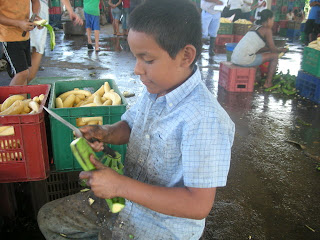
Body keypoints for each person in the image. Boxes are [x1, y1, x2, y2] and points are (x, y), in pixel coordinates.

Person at [37, 0, 235, 239]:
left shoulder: (206, 120)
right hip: (125, 200)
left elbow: (198, 205)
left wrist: (120, 186)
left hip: (162, 227)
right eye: (136, 58)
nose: (136, 70)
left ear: (186, 56)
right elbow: (131, 126)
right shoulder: (156, 89)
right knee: (48, 218)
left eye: (147, 60)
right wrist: (106, 132)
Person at [231, 9, 288, 88]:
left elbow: (258, 49)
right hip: (244, 60)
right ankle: (268, 83)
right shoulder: (267, 30)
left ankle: (255, 78)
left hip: (234, 58)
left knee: (257, 54)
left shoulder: (254, 27)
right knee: (274, 56)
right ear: (268, 19)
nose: (273, 22)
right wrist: (281, 50)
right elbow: (273, 50)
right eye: (272, 20)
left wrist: (270, 49)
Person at [28, 0, 83, 81]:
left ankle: (21, 88)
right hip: (37, 10)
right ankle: (22, 88)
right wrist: (70, 11)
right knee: (37, 50)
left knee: (23, 60)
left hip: (25, 9)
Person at [0, 0, 40, 86]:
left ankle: (23, 99)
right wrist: (18, 23)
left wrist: (35, 16)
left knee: (25, 73)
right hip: (8, 36)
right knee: (22, 73)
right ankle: (11, 99)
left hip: (25, 34)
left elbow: (35, 2)